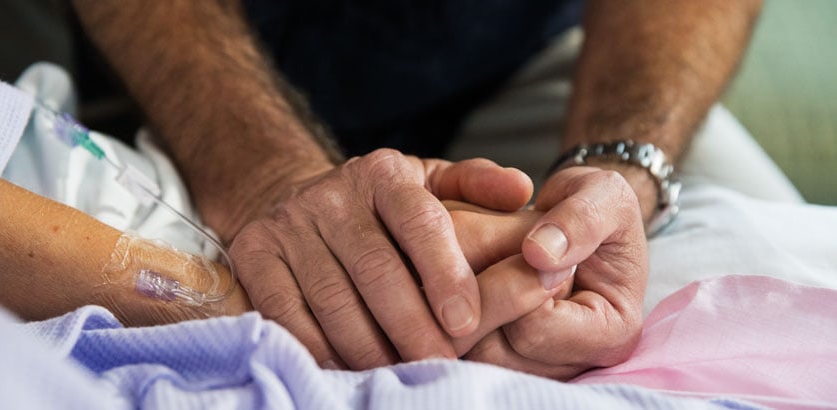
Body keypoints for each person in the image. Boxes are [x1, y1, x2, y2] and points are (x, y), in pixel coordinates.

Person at [67, 0, 768, 371]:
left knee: (763, 277)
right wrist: (264, 175)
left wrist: (619, 175)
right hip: (173, 88)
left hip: (542, 67)